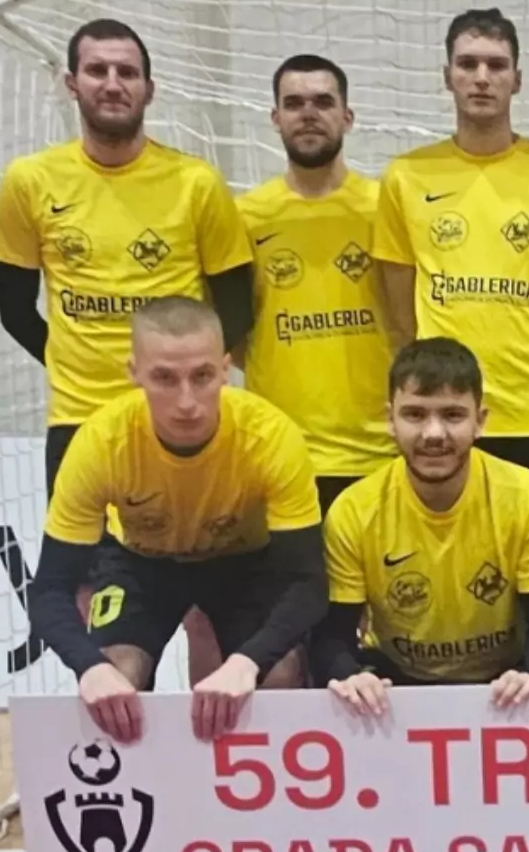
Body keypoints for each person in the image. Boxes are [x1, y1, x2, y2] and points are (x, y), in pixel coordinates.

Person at [29, 297, 326, 745]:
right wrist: (89, 667)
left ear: (225, 370)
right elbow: (49, 589)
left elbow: (308, 583)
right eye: (165, 378)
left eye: (202, 376)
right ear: (134, 373)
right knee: (116, 676)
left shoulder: (270, 437)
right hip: (141, 563)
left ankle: (259, 787)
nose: (186, 401)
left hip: (243, 563)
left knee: (278, 675)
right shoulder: (101, 442)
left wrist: (247, 662)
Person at [0, 18, 255, 495]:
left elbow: (237, 308)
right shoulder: (29, 181)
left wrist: (181, 380)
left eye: (127, 73)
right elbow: (15, 310)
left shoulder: (196, 183)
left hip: (182, 421)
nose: (113, 84)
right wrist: (75, 365)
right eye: (98, 70)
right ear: (72, 84)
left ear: (149, 90)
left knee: (194, 544)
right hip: (79, 420)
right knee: (81, 547)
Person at [373, 8, 529, 535]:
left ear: (517, 79)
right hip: (441, 417)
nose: (481, 77)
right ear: (446, 75)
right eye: (467, 63)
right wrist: (433, 384)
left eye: (496, 65)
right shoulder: (406, 176)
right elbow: (399, 315)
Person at [315, 337, 529, 714]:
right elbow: (331, 634)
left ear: (480, 421)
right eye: (415, 414)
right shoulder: (353, 510)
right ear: (390, 420)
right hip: (395, 687)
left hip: (504, 686)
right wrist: (349, 674)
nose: (433, 433)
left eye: (452, 415)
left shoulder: (526, 496)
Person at [238, 53, 393, 516]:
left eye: (323, 102)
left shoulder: (388, 208)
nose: (308, 113)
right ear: (275, 118)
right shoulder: (245, 216)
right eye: (294, 103)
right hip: (281, 455)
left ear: (347, 117)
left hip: (380, 452)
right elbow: (235, 333)